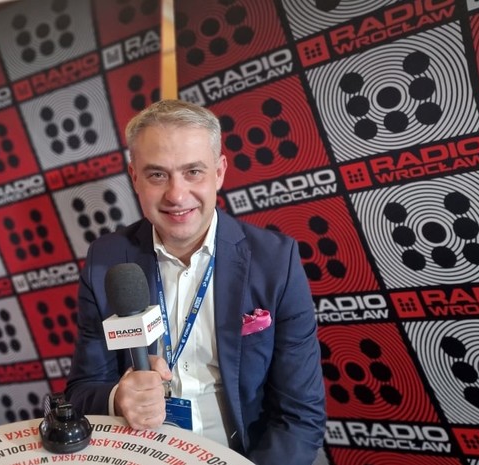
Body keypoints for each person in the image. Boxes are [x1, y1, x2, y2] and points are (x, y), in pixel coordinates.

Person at [65, 99, 326, 465]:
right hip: (141, 454)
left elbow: (299, 415)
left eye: (193, 172)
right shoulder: (105, 259)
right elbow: (81, 390)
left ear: (218, 172)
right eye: (157, 175)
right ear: (134, 177)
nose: (176, 195)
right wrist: (117, 398)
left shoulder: (275, 261)